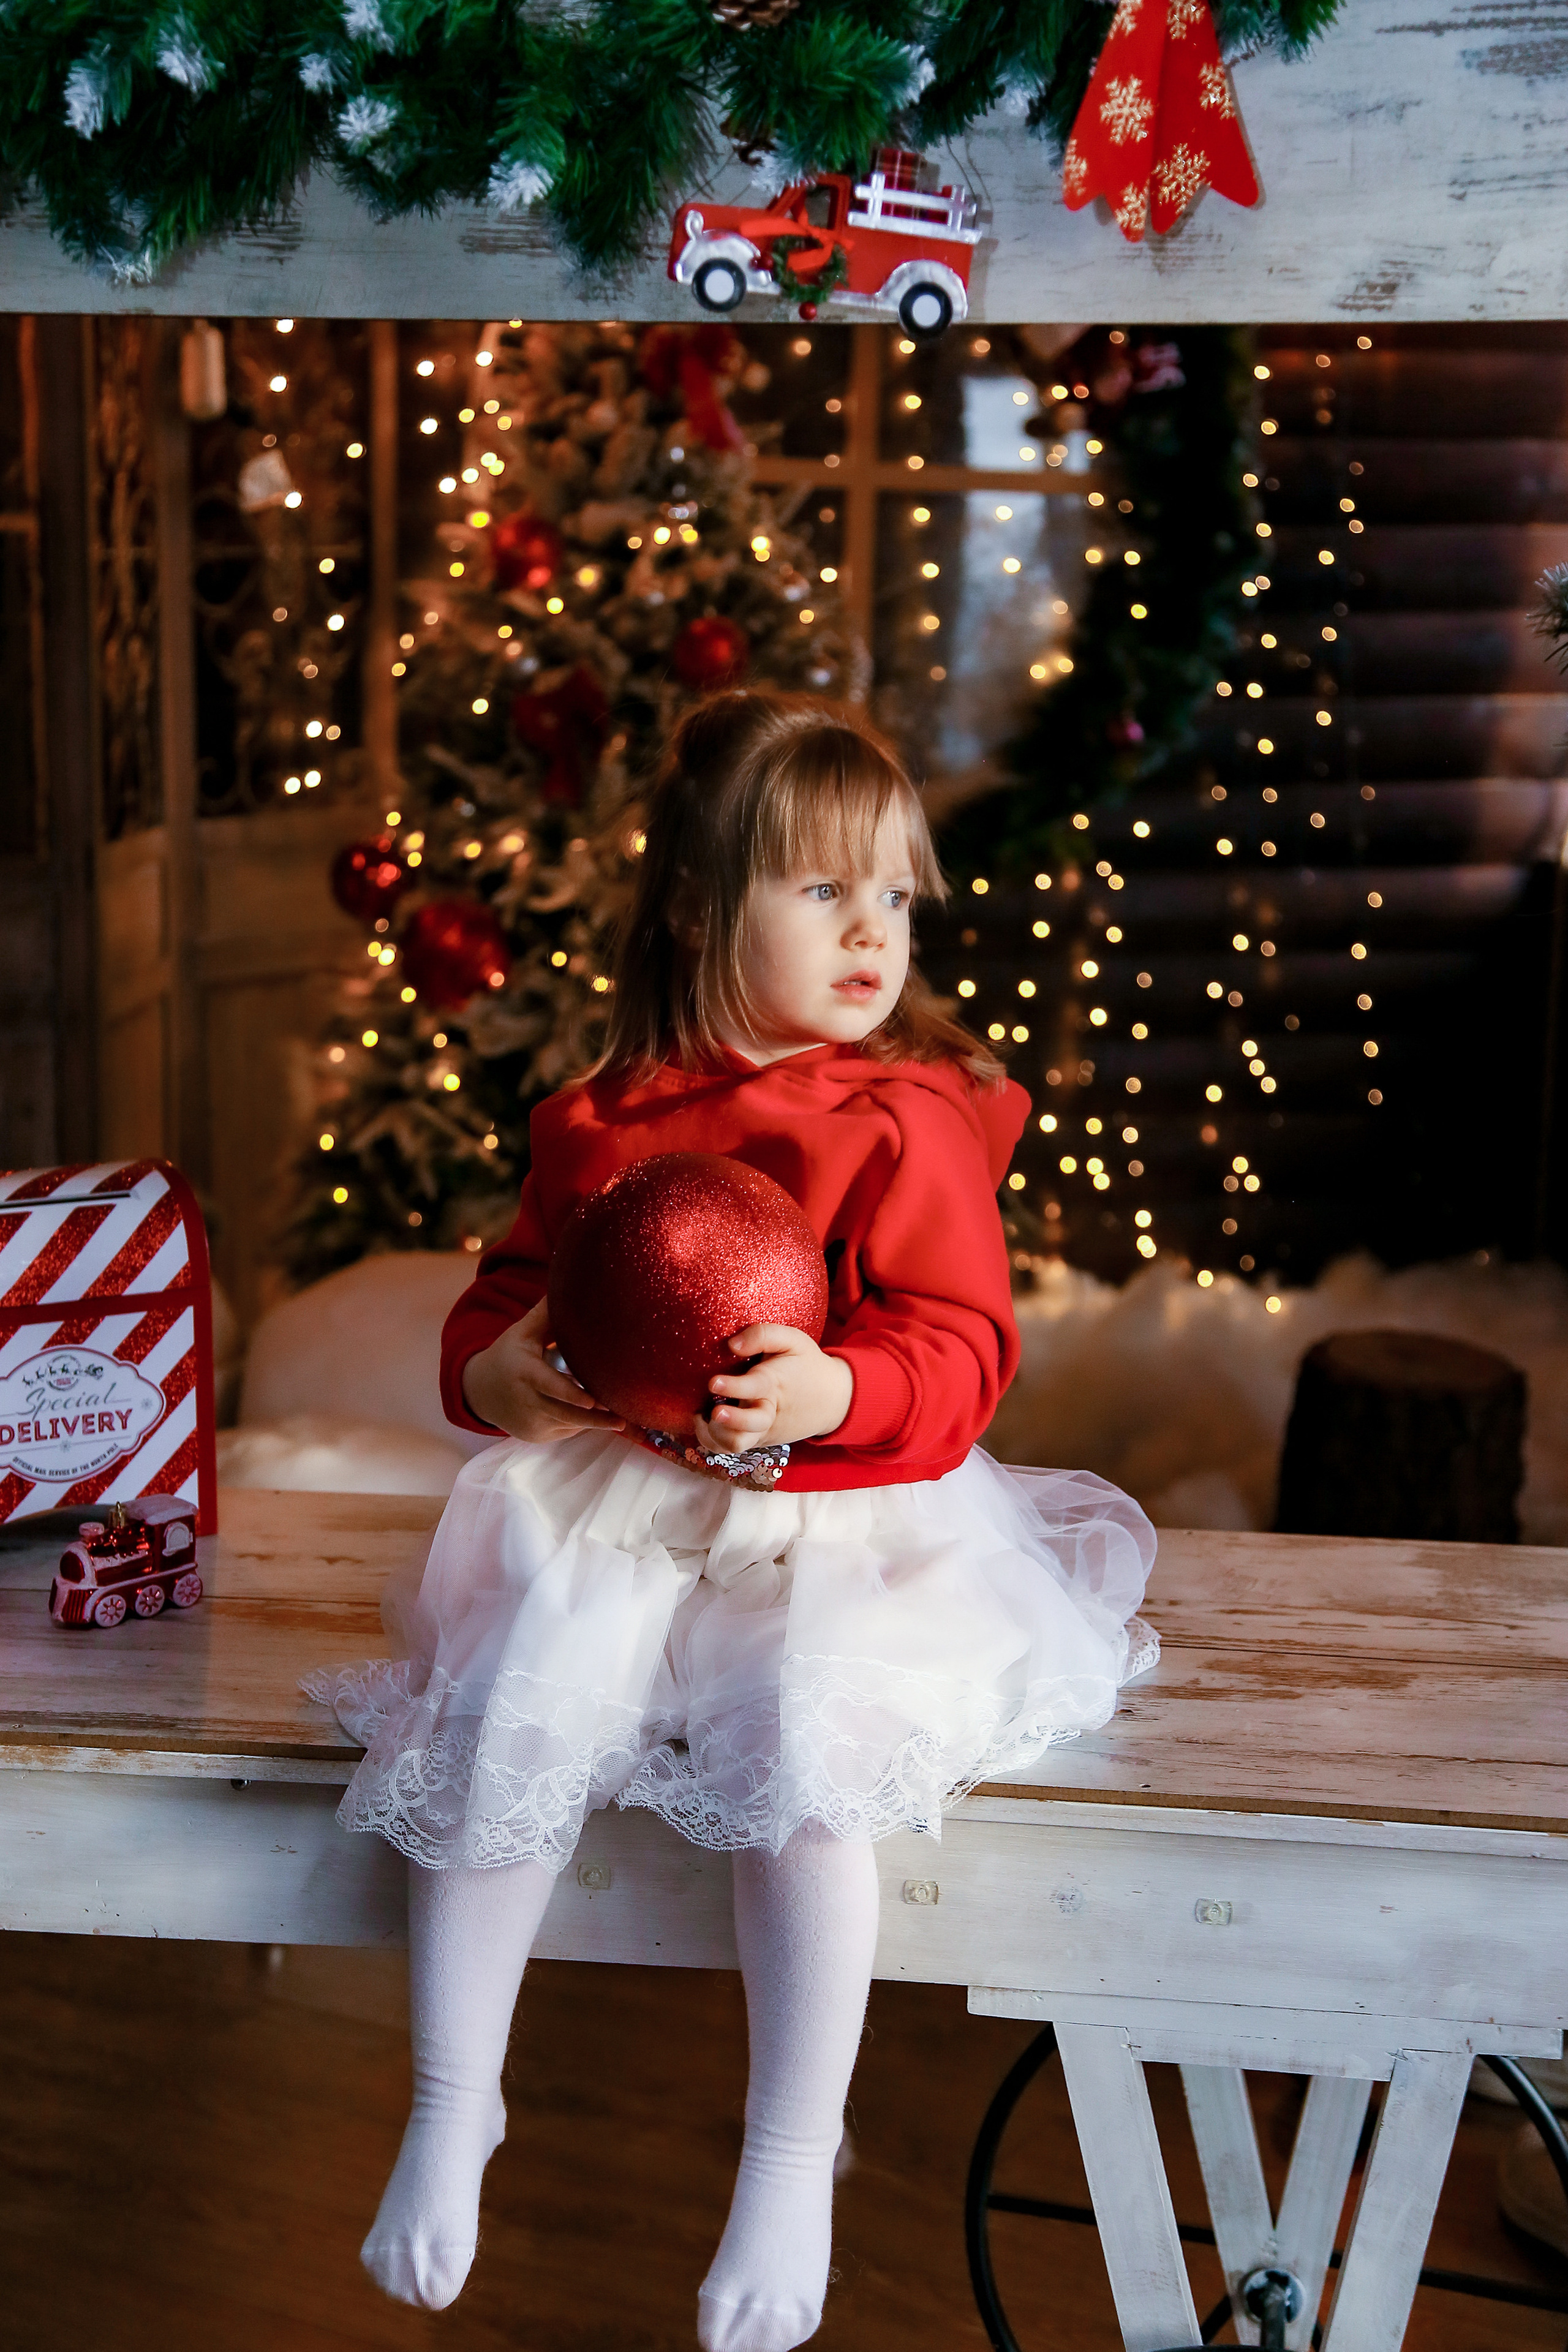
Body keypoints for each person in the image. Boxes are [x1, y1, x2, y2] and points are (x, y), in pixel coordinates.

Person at [304, 691, 1157, 2351]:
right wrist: (511, 1370)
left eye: (895, 897)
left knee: (804, 1766)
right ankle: (452, 2098)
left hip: (839, 1526)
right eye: (825, 892)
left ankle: (790, 2157)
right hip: (626, 1507)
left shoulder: (902, 1123)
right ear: (704, 912)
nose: (874, 934)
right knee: (505, 1725)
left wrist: (838, 1390)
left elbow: (963, 1344)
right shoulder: (602, 1120)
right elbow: (509, 1296)